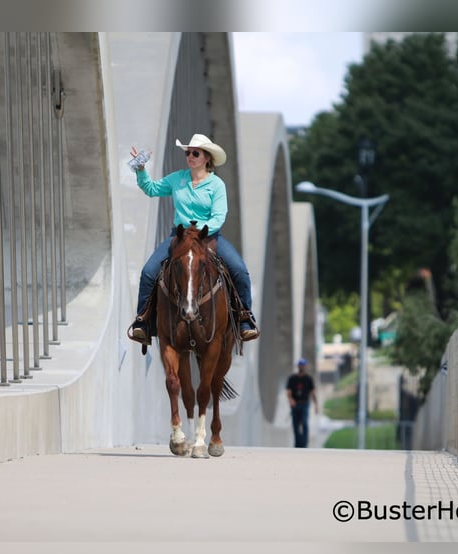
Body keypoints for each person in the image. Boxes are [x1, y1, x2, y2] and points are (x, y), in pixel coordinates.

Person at [127, 133, 259, 344]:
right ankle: (143, 322)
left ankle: (245, 319)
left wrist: (201, 233)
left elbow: (219, 216)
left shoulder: (217, 185)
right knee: (148, 272)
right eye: (188, 153)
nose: (190, 156)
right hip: (178, 237)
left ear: (207, 158)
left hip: (209, 237)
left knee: (240, 271)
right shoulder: (176, 179)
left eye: (195, 153)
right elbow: (151, 189)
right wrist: (141, 170)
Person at [286, 358, 319, 448]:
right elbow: (289, 392)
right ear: (298, 366)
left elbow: (313, 392)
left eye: (303, 365)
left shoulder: (308, 379)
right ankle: (297, 444)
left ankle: (304, 444)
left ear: (305, 366)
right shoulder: (292, 378)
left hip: (304, 404)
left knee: (304, 423)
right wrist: (290, 400)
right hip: (295, 404)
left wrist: (316, 405)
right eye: (300, 365)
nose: (302, 366)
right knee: (295, 424)